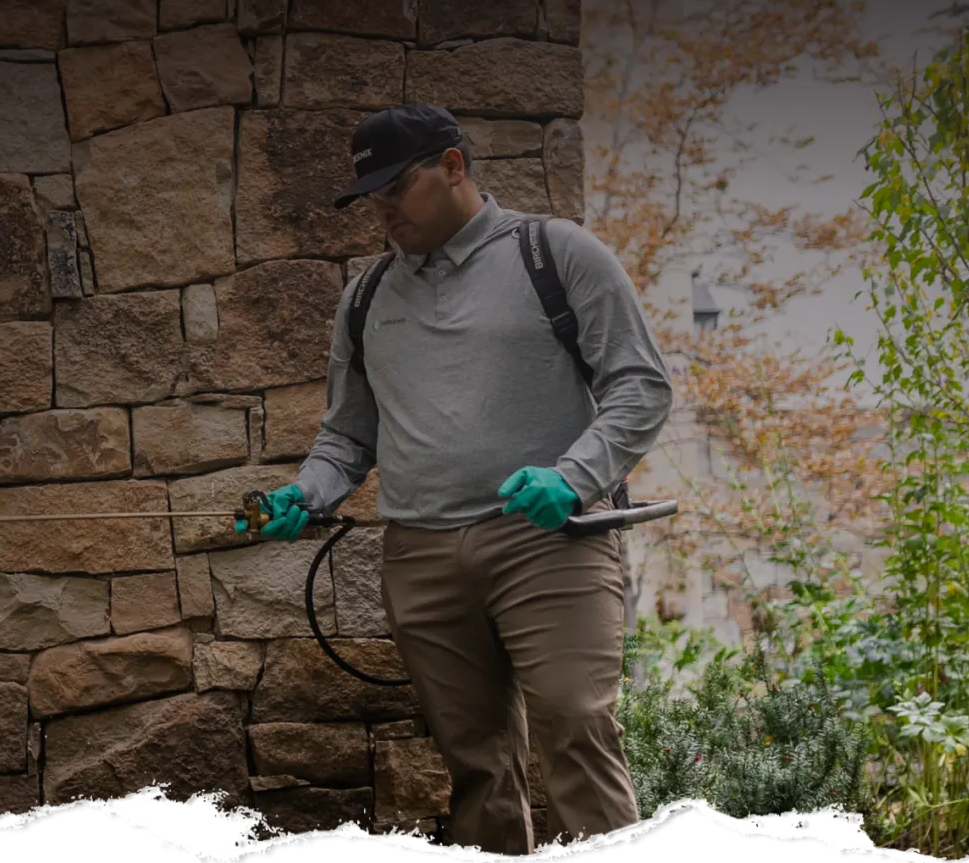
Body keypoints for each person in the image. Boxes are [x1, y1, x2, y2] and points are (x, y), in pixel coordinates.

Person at [242, 104, 674, 854]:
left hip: (549, 544)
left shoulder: (556, 254)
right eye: (368, 196)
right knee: (476, 765)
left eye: (394, 187)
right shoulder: (366, 298)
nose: (381, 210)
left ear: (452, 166)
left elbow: (642, 385)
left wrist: (574, 478)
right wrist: (303, 494)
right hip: (423, 558)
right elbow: (348, 434)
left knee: (575, 728)